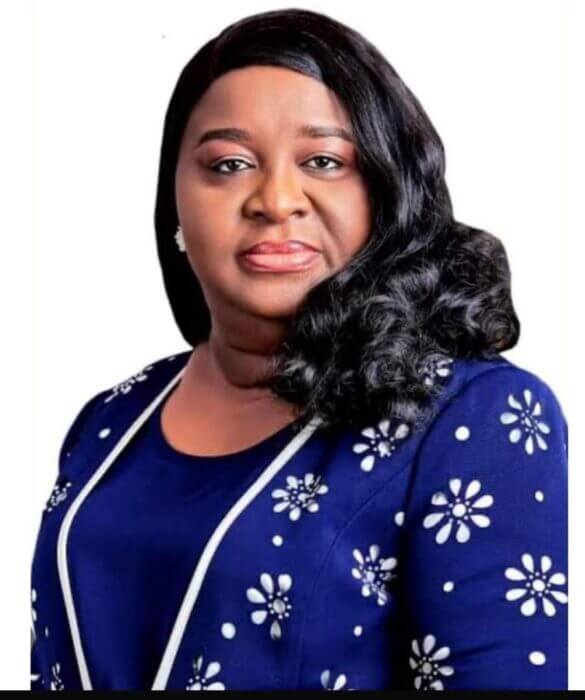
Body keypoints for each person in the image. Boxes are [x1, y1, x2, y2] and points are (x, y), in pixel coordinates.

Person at [30, 7, 568, 691]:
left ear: (385, 192)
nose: (276, 200)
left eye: (323, 161)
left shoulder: (472, 416)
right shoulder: (111, 421)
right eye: (228, 164)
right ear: (176, 207)